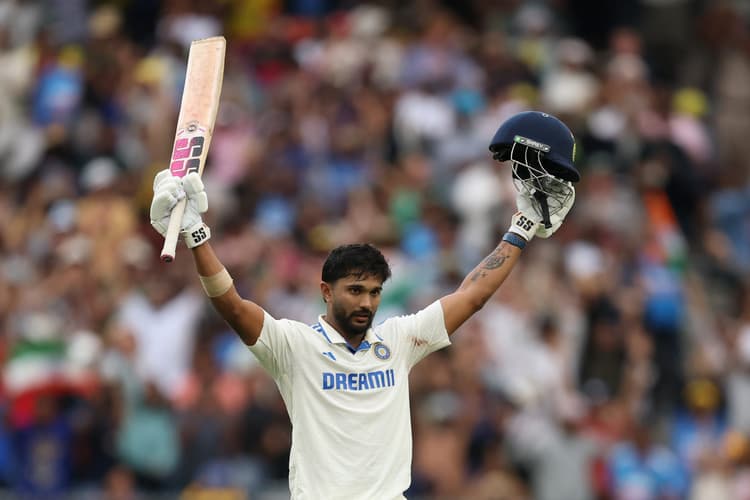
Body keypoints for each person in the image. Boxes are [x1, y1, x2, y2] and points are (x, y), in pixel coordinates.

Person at [149, 111, 579, 499]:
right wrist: (196, 235)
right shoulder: (295, 346)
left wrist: (522, 227)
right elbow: (232, 306)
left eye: (374, 292)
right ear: (326, 291)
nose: (366, 302)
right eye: (355, 290)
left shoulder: (398, 340)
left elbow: (472, 295)